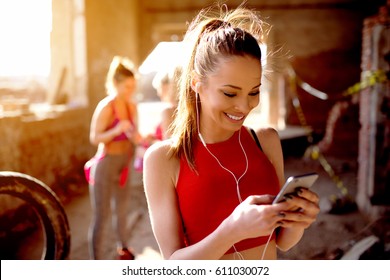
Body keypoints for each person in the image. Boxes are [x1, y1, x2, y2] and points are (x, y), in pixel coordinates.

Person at [143, 4, 320, 260]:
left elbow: (282, 241)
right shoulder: (164, 159)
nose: (244, 106)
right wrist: (232, 231)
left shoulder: (266, 141)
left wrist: (298, 220)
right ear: (196, 83)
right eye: (229, 93)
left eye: (254, 92)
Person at [88, 56, 141, 260]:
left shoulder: (132, 107)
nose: (131, 91)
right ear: (115, 84)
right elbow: (94, 138)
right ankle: (96, 260)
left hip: (124, 163)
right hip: (105, 163)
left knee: (122, 209)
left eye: (133, 86)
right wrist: (117, 129)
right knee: (101, 216)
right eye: (127, 87)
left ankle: (124, 249)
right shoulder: (106, 107)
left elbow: (135, 136)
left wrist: (142, 138)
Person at [152, 66, 181, 140]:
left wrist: (152, 143)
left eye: (159, 88)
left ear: (168, 87)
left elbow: (169, 143)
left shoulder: (168, 111)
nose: (158, 93)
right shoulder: (187, 108)